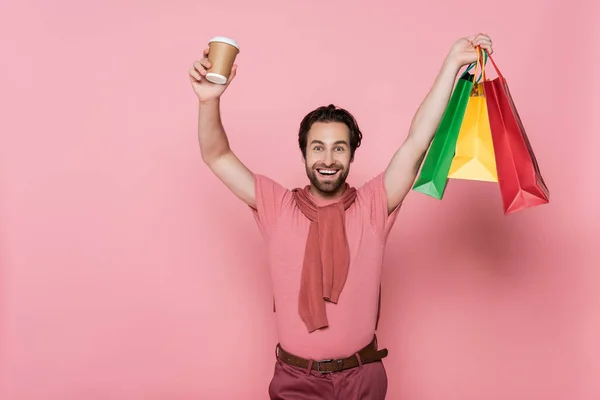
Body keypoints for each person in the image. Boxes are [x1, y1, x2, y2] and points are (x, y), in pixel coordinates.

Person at [188, 33, 493, 400]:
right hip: (296, 381)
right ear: (304, 155)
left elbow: (417, 142)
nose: (328, 160)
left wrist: (450, 65)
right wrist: (209, 100)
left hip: (362, 379)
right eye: (318, 148)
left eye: (339, 148)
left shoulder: (373, 205)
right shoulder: (276, 206)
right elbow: (218, 156)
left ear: (351, 156)